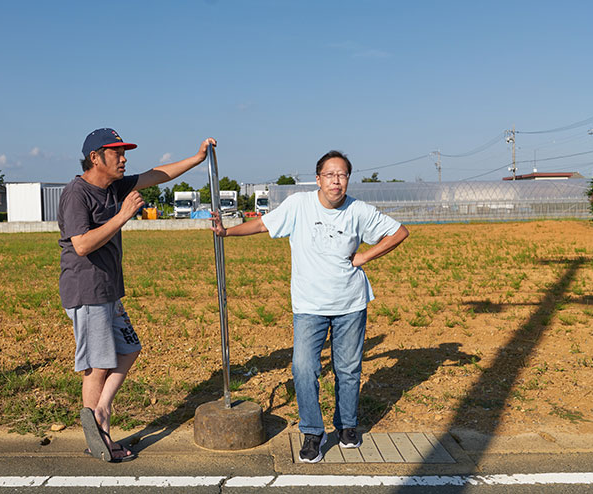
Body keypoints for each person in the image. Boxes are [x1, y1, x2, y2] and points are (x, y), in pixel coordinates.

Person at [210, 150, 408, 463]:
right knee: (303, 367)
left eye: (342, 175)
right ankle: (313, 431)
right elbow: (263, 225)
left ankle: (347, 426)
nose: (336, 181)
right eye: (330, 175)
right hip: (309, 306)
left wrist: (365, 256)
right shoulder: (299, 205)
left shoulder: (358, 210)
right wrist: (226, 231)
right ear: (318, 179)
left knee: (348, 369)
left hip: (350, 303)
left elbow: (399, 232)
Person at [58, 128, 216, 462]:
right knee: (96, 367)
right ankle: (100, 439)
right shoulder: (77, 192)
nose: (124, 158)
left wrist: (197, 158)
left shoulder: (115, 186)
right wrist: (122, 216)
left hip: (109, 290)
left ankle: (99, 412)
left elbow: (157, 175)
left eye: (124, 152)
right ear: (95, 157)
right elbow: (82, 244)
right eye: (117, 153)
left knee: (130, 348)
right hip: (87, 291)